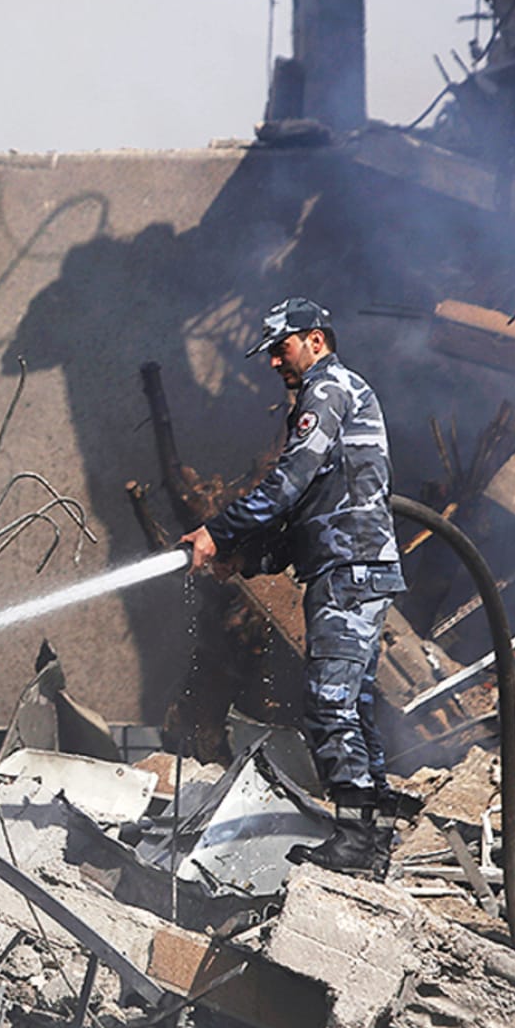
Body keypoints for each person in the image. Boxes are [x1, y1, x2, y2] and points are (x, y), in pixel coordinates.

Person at [179, 297, 418, 879]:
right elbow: (310, 512)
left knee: (330, 701)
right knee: (353, 706)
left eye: (280, 349)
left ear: (315, 339)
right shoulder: (330, 395)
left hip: (349, 568)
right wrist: (246, 556)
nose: (273, 364)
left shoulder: (328, 389)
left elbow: (288, 485)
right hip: (344, 563)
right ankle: (370, 837)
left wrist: (218, 529)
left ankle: (357, 841)